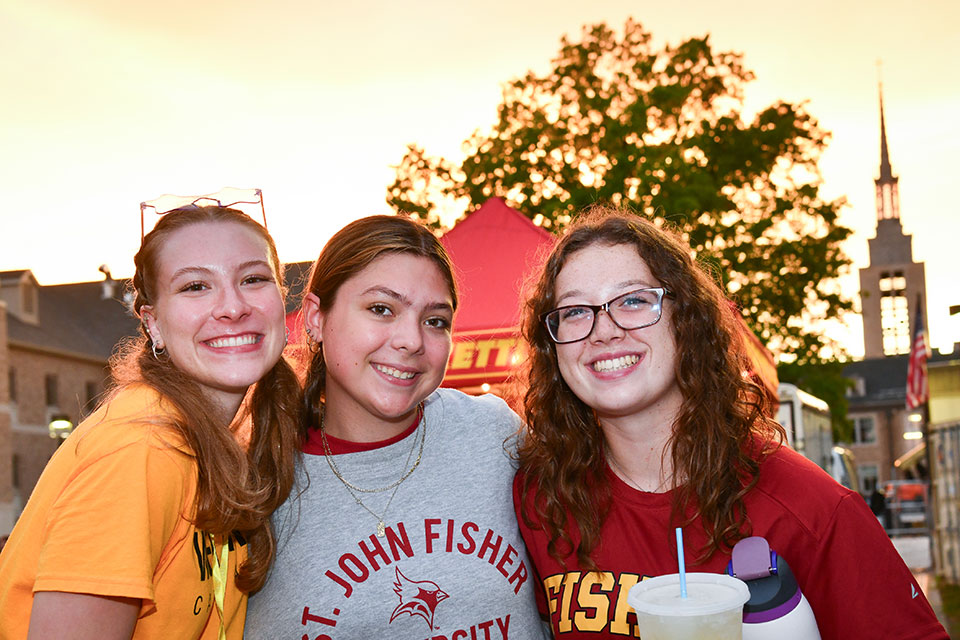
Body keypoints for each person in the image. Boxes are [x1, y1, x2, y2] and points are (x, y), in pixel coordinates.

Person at [514, 206, 948, 639]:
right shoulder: (542, 503)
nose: (603, 330)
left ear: (687, 321)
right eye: (574, 311)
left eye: (633, 300)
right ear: (553, 348)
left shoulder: (810, 511)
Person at [0, 204, 301, 639]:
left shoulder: (219, 438)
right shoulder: (140, 450)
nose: (233, 307)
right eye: (196, 286)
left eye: (253, 279)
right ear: (153, 323)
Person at [245, 215, 548, 639]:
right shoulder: (255, 481)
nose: (411, 340)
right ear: (315, 317)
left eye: (435, 320)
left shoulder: (494, 435)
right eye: (381, 309)